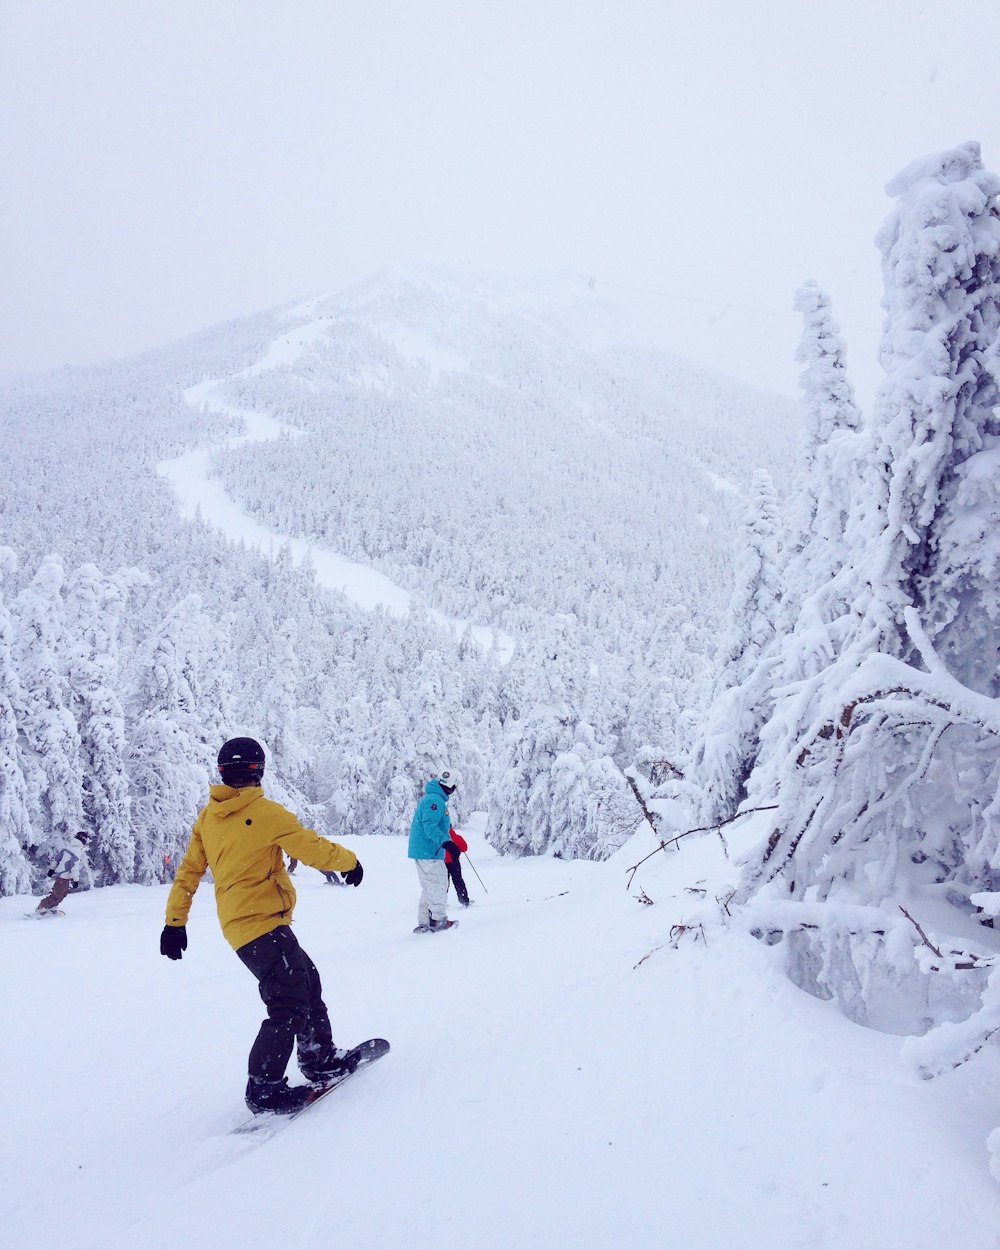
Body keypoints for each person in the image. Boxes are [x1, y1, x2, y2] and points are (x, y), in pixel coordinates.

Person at [159, 736, 366, 1115]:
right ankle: (264, 1089)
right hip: (263, 926)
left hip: (245, 928)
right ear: (259, 772)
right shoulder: (266, 813)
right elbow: (311, 847)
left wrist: (175, 922)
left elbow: (189, 873)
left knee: (307, 980)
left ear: (223, 773)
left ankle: (318, 1055)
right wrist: (350, 862)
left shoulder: (208, 818)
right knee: (287, 1001)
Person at [408, 767, 460, 933]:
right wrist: (447, 842)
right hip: (429, 850)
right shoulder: (435, 801)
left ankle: (425, 921)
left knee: (429, 885)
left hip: (426, 850)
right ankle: (438, 920)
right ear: (451, 786)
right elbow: (429, 825)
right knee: (438, 883)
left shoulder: (433, 798)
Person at [36, 830, 90, 914]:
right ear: (83, 841)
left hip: (63, 876)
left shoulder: (67, 848)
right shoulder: (77, 851)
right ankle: (42, 907)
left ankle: (52, 907)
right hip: (64, 876)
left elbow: (56, 859)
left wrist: (52, 869)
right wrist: (76, 880)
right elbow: (74, 866)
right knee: (57, 894)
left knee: (62, 893)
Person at [444, 827, 471, 907]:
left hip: (442, 863)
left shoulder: (440, 837)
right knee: (458, 881)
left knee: (443, 883)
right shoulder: (456, 837)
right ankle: (464, 900)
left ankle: (441, 902)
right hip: (454, 862)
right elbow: (464, 848)